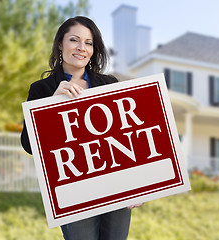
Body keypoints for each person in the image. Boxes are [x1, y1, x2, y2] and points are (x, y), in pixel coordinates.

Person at [20, 16, 142, 240]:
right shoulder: (42, 89)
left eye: (88, 42)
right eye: (74, 40)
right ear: (60, 44)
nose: (81, 48)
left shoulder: (109, 85)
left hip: (116, 185)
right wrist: (51, 105)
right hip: (73, 191)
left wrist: (136, 186)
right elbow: (29, 144)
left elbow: (126, 139)